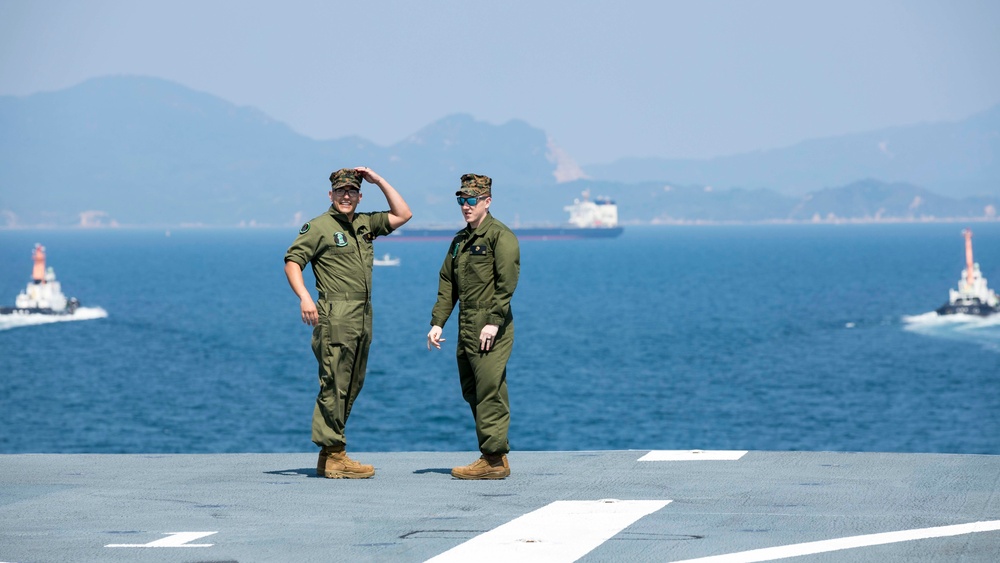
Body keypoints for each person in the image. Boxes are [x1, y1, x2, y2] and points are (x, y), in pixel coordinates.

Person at [284, 167, 411, 479]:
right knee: (335, 380)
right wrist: (304, 297)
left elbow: (403, 214)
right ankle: (334, 451)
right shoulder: (318, 226)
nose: (345, 196)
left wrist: (380, 180)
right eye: (340, 191)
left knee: (352, 381)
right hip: (335, 310)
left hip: (363, 312)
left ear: (359, 195)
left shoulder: (366, 223)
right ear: (330, 195)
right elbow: (292, 262)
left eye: (351, 191)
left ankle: (330, 455)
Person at [427, 173, 520, 480]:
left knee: (489, 390)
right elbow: (447, 283)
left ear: (487, 201)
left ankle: (493, 459)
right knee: (472, 390)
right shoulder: (459, 242)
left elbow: (506, 285)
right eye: (461, 201)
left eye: (471, 200)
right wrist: (438, 322)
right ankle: (492, 456)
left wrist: (493, 322)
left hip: (489, 327)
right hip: (467, 326)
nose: (465, 206)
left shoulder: (500, 237)